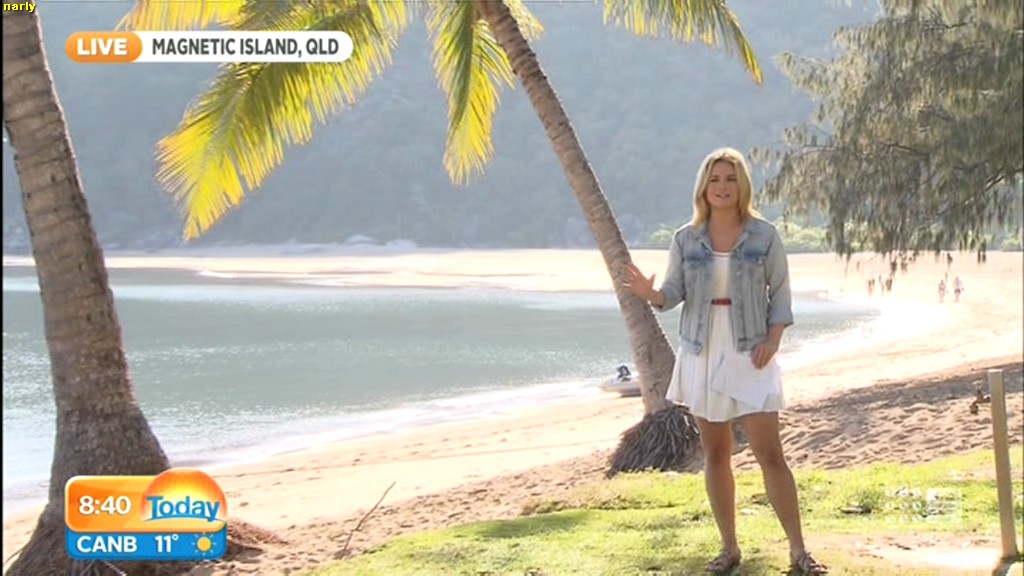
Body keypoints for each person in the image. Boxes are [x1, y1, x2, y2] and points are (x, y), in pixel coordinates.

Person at [623, 148, 827, 575]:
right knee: (716, 452)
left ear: (742, 185)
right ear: (703, 187)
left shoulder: (764, 236)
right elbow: (672, 294)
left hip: (751, 349)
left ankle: (798, 551)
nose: (722, 186)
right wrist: (649, 293)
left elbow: (781, 294)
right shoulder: (686, 238)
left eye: (730, 179)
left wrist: (773, 339)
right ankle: (729, 549)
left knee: (770, 454)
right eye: (714, 179)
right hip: (701, 349)